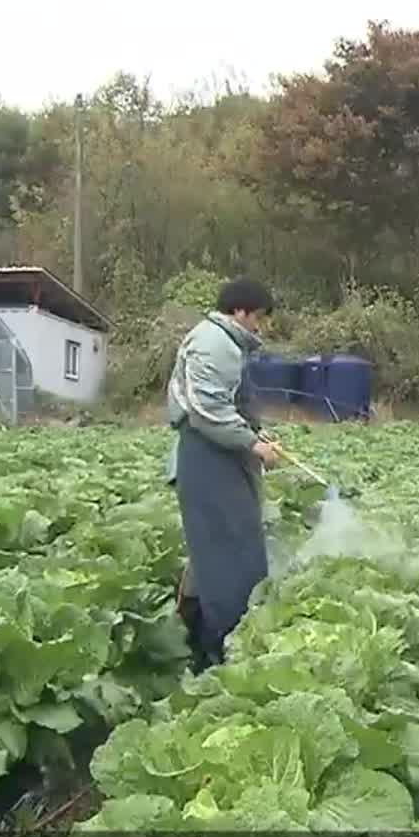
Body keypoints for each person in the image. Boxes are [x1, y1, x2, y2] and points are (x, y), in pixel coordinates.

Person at [165, 278, 281, 671]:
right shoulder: (213, 344)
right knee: (225, 556)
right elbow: (208, 411)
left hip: (221, 456)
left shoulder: (227, 343)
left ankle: (200, 637)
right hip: (206, 459)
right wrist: (253, 445)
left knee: (226, 549)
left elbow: (235, 406)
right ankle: (216, 651)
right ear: (241, 311)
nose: (259, 328)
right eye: (259, 318)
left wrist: (256, 433)